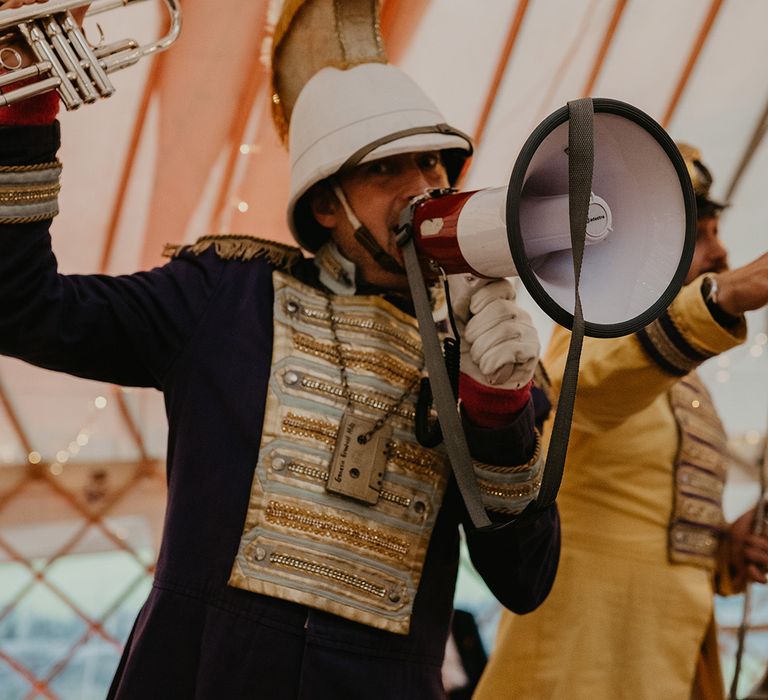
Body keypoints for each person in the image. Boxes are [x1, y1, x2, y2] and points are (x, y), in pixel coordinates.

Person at [0, 0, 559, 697]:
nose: (424, 189)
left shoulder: (486, 346)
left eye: (433, 165)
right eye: (388, 171)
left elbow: (525, 580)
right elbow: (24, 309)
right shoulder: (222, 295)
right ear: (326, 204)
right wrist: (22, 115)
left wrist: (499, 410)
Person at [475, 143, 768, 700]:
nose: (721, 252)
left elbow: (656, 531)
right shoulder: (595, 329)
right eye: (701, 234)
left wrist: (725, 551)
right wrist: (718, 300)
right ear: (653, 245)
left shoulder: (686, 376)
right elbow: (571, 402)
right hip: (581, 665)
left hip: (664, 666)